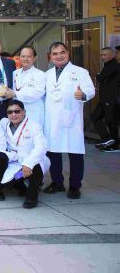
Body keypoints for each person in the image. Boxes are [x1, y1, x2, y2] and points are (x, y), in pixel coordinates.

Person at [43, 42, 95, 199]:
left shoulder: (80, 72)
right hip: (52, 119)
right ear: (50, 57)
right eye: (55, 53)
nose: (59, 56)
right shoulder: (46, 74)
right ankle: (57, 182)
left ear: (68, 53)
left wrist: (83, 94)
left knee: (75, 153)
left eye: (62, 52)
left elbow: (90, 90)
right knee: (53, 152)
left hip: (71, 119)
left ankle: (74, 186)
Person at [0, 100, 50, 208]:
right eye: (10, 112)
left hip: (31, 160)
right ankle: (22, 186)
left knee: (35, 169)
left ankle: (32, 197)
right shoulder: (3, 123)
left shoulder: (34, 126)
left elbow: (41, 147)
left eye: (17, 111)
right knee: (9, 183)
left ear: (24, 112)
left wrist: (28, 163)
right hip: (14, 163)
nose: (13, 114)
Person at [91, 47, 119, 152]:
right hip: (105, 99)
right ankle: (107, 140)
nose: (102, 57)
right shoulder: (108, 65)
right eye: (101, 55)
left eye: (105, 55)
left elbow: (100, 78)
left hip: (111, 99)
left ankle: (114, 145)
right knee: (95, 117)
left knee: (111, 121)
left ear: (112, 55)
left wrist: (99, 75)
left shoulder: (113, 65)